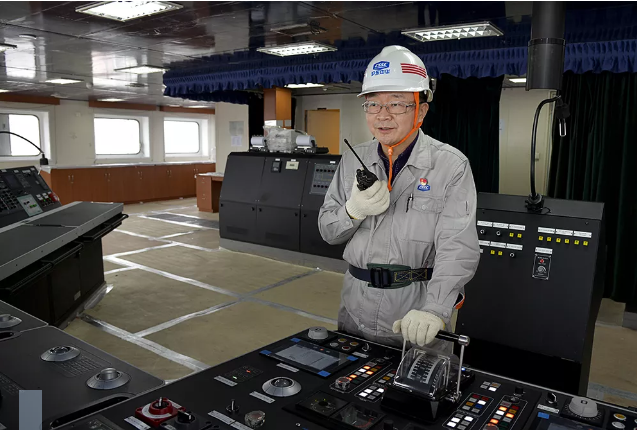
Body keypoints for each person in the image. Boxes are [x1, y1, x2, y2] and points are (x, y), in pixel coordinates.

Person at [318, 45, 480, 352]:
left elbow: (458, 247)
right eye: (373, 104)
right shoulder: (353, 159)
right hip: (353, 311)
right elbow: (328, 231)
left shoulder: (450, 166)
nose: (383, 115)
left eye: (396, 103)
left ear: (421, 110)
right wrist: (353, 211)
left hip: (414, 320)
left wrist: (435, 309)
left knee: (415, 385)